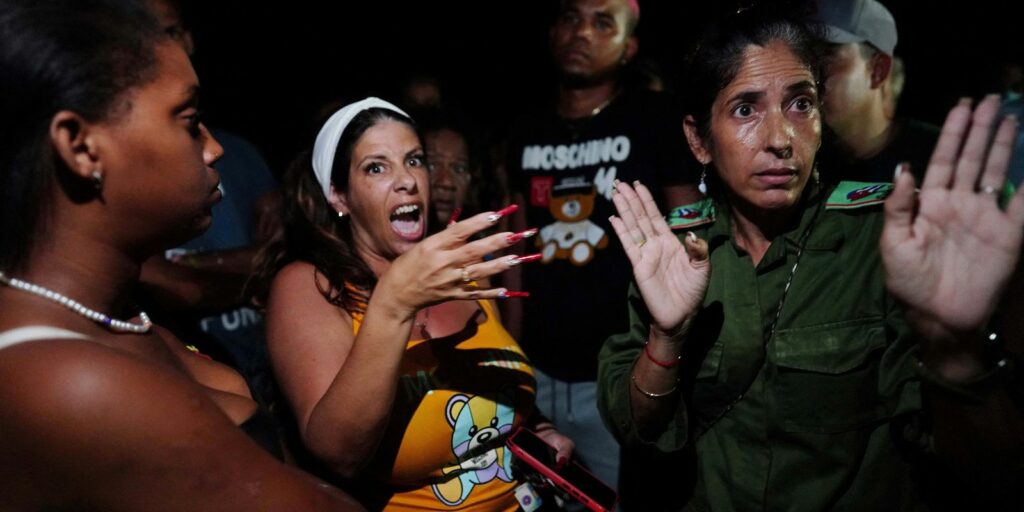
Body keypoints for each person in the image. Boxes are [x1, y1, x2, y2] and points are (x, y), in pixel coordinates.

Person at [598, 7, 1024, 509]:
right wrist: (666, 340)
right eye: (744, 110)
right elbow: (635, 427)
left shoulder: (885, 239)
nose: (780, 140)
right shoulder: (674, 252)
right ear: (698, 139)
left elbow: (986, 469)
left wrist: (954, 351)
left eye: (800, 104)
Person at [0, 0, 362, 509]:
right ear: (81, 148)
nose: (213, 148)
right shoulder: (62, 378)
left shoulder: (118, 317)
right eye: (188, 120)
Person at [253, 97, 574, 511]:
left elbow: (497, 385)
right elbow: (339, 453)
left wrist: (540, 430)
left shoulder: (466, 268)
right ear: (339, 196)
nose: (406, 180)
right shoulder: (309, 285)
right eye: (376, 167)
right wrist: (394, 305)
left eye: (414, 160)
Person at [503, 0, 700, 493]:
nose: (582, 31)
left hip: (622, 373)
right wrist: (512, 355)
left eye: (602, 22)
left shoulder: (654, 117)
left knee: (618, 499)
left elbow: (693, 227)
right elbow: (517, 248)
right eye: (570, 17)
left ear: (629, 46)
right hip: (538, 371)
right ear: (552, 33)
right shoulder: (524, 130)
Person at [136, 0, 281, 406]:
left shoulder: (244, 156)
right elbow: (177, 290)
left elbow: (278, 255)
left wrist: (190, 265)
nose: (211, 151)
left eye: (173, 31)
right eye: (187, 125)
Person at [813, 0, 940, 183]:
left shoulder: (940, 158)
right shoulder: (802, 162)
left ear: (877, 71)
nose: (810, 72)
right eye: (805, 56)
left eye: (826, 56)